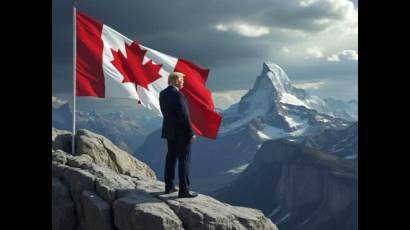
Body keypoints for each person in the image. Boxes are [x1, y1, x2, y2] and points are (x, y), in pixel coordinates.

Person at [159, 72, 198, 198]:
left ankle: (169, 186)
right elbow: (184, 116)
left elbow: (165, 113)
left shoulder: (162, 94)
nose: (183, 82)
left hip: (169, 130)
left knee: (170, 158)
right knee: (184, 160)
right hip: (181, 133)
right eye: (182, 79)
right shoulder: (178, 95)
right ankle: (184, 190)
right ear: (176, 80)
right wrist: (190, 133)